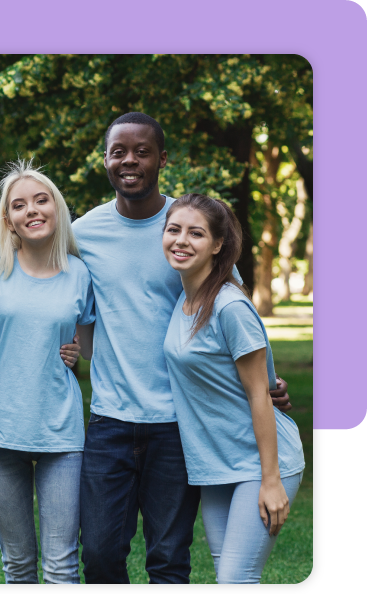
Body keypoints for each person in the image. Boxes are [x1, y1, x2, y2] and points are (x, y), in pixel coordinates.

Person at [70, 112, 292, 583]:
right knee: (99, 553)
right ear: (105, 160)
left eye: (142, 151)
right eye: (118, 151)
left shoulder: (188, 225)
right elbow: (36, 280)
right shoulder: (83, 233)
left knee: (169, 558)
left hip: (178, 425)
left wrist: (269, 384)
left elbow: (239, 316)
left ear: (162, 159)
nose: (129, 160)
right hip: (110, 420)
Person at [161, 194, 304, 583]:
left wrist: (271, 481)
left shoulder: (229, 307)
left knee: (236, 578)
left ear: (218, 245)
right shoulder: (185, 299)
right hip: (216, 464)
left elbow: (261, 393)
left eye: (196, 233)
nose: (181, 240)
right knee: (228, 572)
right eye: (174, 230)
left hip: (259, 464)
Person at [0, 161, 95, 583]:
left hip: (61, 430)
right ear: (9, 220)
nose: (32, 210)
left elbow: (87, 343)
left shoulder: (80, 273)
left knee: (61, 563)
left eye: (41, 200)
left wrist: (75, 353)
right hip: (0, 428)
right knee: (18, 563)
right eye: (19, 205)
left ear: (56, 208)